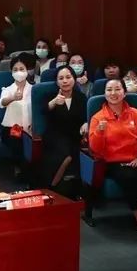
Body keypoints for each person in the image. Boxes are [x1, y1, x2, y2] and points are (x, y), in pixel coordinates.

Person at [87, 79, 137, 238]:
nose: (113, 93)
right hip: (113, 162)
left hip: (136, 159)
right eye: (109, 90)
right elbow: (95, 149)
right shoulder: (98, 118)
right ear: (105, 94)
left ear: (124, 93)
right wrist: (100, 132)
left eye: (117, 89)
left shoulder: (135, 114)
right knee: (129, 178)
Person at [42, 66, 88, 195]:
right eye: (61, 78)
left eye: (68, 77)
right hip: (55, 136)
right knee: (65, 153)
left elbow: (86, 117)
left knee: (74, 150)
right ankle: (52, 186)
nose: (65, 81)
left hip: (74, 135)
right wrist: (53, 102)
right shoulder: (50, 96)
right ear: (57, 82)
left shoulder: (81, 97)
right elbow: (43, 111)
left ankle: (61, 187)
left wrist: (86, 123)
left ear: (74, 79)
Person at [0, 55, 34, 159]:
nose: (19, 72)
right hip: (12, 130)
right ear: (12, 72)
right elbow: (1, 103)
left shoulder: (34, 90)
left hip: (30, 129)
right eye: (15, 69)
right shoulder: (7, 89)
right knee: (17, 147)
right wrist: (12, 98)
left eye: (21, 69)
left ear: (27, 70)